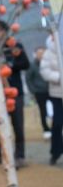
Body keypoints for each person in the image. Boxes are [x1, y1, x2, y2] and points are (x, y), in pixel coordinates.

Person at [0, 21, 30, 166]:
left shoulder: (15, 46)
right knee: (0, 124)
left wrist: (10, 66)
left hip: (15, 92)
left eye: (0, 30)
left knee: (17, 125)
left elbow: (26, 64)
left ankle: (20, 155)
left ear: (5, 31)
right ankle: (1, 155)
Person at [40, 35, 63, 165]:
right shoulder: (48, 53)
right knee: (58, 123)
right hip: (57, 93)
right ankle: (56, 152)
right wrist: (59, 77)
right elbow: (45, 71)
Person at [26, 46, 51, 139]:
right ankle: (46, 129)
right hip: (39, 92)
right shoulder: (32, 65)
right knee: (43, 111)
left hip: (51, 90)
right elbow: (28, 79)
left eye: (43, 53)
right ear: (36, 54)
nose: (41, 55)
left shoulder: (49, 63)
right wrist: (33, 90)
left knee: (55, 110)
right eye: (39, 53)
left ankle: (56, 127)